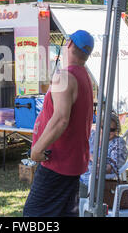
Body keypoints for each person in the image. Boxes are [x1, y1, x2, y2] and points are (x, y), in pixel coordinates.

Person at [23, 30, 94, 217]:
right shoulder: (84, 76)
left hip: (57, 162)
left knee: (33, 214)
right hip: (72, 161)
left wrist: (37, 148)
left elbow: (61, 119)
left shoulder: (65, 76)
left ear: (69, 44)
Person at [79, 112, 128, 201]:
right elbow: (80, 149)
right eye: (103, 127)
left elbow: (112, 168)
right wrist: (91, 156)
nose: (107, 131)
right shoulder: (93, 135)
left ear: (117, 130)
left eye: (111, 129)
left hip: (96, 183)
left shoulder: (119, 144)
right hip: (78, 175)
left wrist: (95, 165)